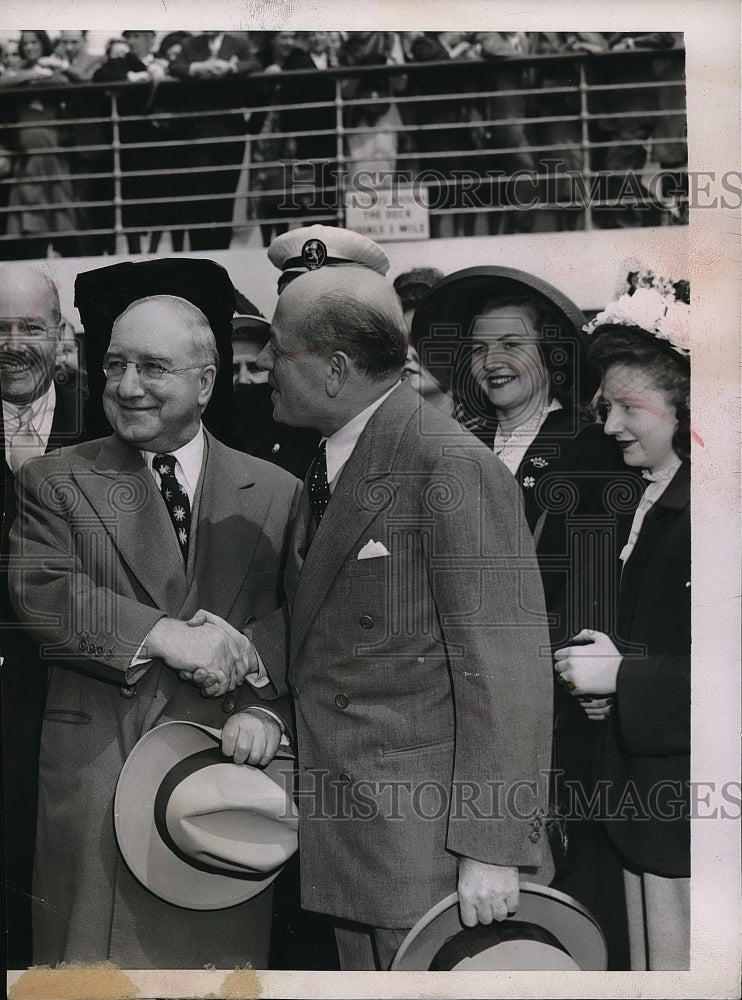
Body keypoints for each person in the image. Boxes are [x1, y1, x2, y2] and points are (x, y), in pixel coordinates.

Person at [221, 228, 555, 971]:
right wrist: (237, 652)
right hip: (361, 844)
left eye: (281, 348)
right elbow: (338, 621)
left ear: (336, 368)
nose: (265, 365)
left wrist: (494, 850)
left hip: (431, 858)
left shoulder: (448, 466)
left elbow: (507, 670)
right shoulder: (339, 454)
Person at [7, 259, 300, 968]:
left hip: (218, 793)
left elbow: (303, 621)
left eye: (152, 367)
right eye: (113, 366)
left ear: (205, 381)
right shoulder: (56, 480)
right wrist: (163, 635)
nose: (127, 386)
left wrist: (265, 710)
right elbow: (41, 591)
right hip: (98, 785)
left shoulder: (276, 491)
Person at [553, 273, 691, 970]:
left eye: (627, 407)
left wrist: (626, 678)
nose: (608, 427)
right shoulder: (654, 491)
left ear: (686, 401)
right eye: (605, 408)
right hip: (648, 819)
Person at [0, 263, 86, 969]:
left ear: (60, 336)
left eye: (30, 326)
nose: (13, 343)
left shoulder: (114, 417)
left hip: (83, 696)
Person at [411, 266, 592, 534]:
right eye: (480, 348)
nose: (491, 362)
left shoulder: (586, 445)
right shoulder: (458, 443)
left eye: (511, 345)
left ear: (550, 352)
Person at [2, 30, 80, 259]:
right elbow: (4, 81)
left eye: (34, 42)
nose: (28, 47)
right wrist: (33, 73)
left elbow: (65, 80)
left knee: (57, 212)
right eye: (25, 43)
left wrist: (46, 72)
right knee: (28, 213)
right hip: (28, 152)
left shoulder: (54, 68)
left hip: (51, 149)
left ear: (43, 44)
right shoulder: (19, 69)